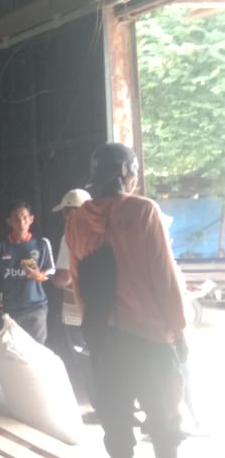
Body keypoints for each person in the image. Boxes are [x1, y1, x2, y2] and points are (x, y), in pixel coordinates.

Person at [66, 143, 187, 458]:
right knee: (163, 423)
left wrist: (93, 330)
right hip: (149, 337)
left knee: (117, 425)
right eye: (135, 170)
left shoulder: (76, 221)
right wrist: (179, 331)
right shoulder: (144, 211)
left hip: (104, 338)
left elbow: (78, 282)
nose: (136, 177)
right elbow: (164, 277)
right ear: (123, 170)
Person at [50, 188, 97, 422]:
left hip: (76, 311)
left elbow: (63, 278)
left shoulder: (69, 236)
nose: (65, 218)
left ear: (72, 212)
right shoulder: (104, 231)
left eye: (66, 213)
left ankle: (100, 408)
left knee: (86, 359)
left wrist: (46, 277)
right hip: (104, 308)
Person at [0, 201, 56, 344]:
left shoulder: (41, 244)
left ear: (31, 219)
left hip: (36, 309)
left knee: (36, 351)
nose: (21, 223)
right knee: (10, 351)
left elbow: (52, 271)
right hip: (9, 311)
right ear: (9, 222)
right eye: (16, 219)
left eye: (24, 218)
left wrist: (38, 275)